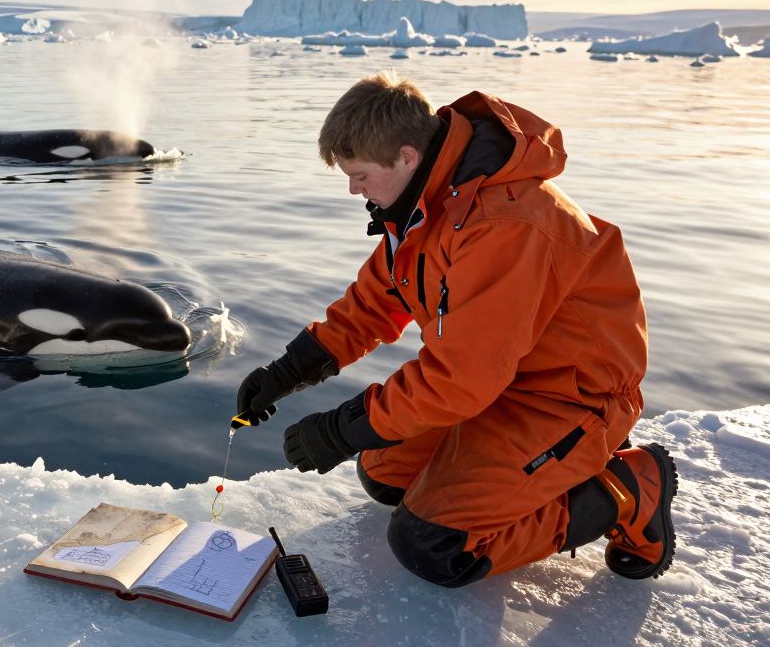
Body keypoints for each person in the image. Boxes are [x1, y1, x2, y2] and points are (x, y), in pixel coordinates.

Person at [235, 72, 676, 587]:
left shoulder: (503, 225)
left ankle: (626, 488)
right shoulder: (427, 206)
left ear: (406, 157)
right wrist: (286, 372)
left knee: (433, 545)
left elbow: (460, 378)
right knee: (384, 472)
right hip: (497, 386)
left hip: (569, 400)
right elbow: (374, 303)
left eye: (359, 174)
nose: (353, 188)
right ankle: (497, 482)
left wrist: (342, 428)